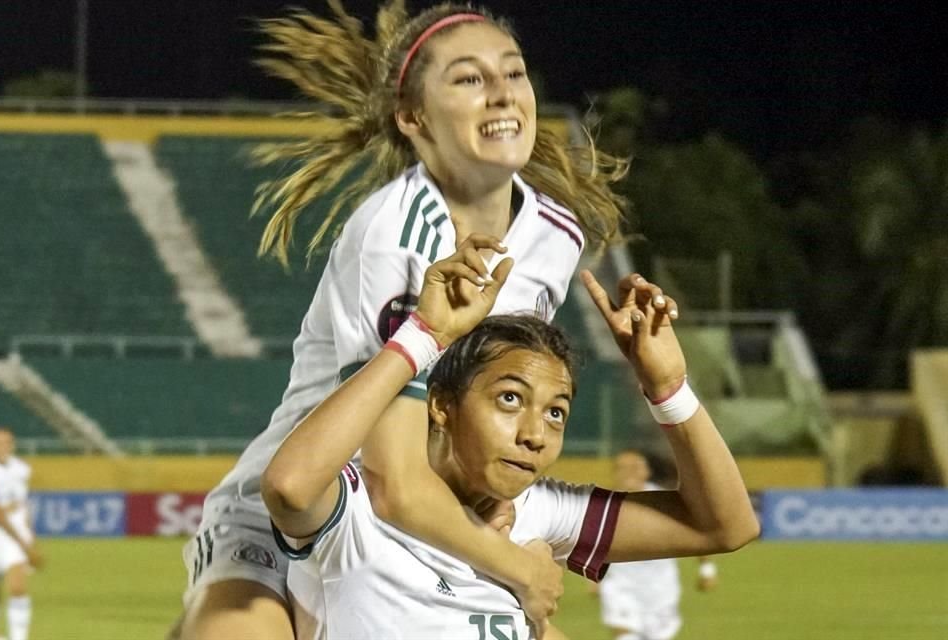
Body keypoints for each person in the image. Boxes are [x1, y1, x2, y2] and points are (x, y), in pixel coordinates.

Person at [177, 2, 632, 638]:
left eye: (514, 72)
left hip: (419, 525)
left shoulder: (557, 235)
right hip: (300, 511)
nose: (503, 93)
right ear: (413, 117)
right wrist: (517, 568)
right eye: (469, 79)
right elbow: (390, 476)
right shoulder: (396, 235)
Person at [262, 244, 760, 639]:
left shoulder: (538, 511)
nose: (534, 435)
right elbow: (288, 486)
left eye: (556, 412)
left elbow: (725, 526)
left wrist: (669, 390)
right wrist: (422, 337)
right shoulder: (359, 502)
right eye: (509, 399)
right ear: (442, 405)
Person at [593, 449, 719, 640]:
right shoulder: (605, 504)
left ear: (646, 472)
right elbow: (593, 544)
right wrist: (593, 578)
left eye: (635, 467)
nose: (629, 473)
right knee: (624, 634)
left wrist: (707, 570)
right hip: (621, 585)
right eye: (623, 468)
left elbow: (694, 533)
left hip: (660, 586)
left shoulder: (664, 501)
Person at [0, 427, 42, 640]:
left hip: (15, 531)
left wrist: (30, 536)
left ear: (12, 445)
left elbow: (23, 503)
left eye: (5, 442)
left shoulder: (22, 469)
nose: (1, 447)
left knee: (18, 587)